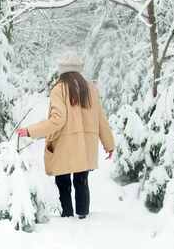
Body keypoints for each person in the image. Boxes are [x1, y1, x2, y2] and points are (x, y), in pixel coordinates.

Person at [16, 53, 115, 219]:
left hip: (64, 145)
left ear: (62, 71)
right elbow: (101, 119)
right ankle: (83, 216)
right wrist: (109, 144)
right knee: (81, 181)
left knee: (63, 183)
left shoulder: (59, 89)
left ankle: (67, 217)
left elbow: (57, 120)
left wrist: (29, 131)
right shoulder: (90, 89)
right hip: (85, 147)